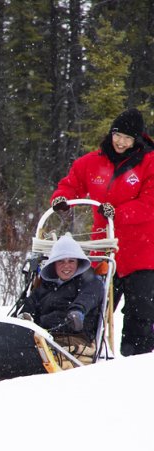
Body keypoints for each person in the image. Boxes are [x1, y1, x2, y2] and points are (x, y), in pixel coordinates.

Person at [50, 107, 154, 357]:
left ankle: (135, 361)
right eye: (118, 135)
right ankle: (82, 352)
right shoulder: (92, 162)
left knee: (141, 312)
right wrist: (61, 199)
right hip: (104, 249)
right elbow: (70, 184)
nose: (121, 142)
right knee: (93, 305)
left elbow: (149, 204)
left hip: (142, 252)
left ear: (136, 140)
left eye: (128, 138)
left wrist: (117, 212)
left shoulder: (149, 163)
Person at [18, 234, 104, 367]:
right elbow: (30, 304)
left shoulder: (90, 281)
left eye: (71, 261)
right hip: (43, 335)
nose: (66, 266)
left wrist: (77, 310)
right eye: (61, 261)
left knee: (36, 352)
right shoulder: (46, 285)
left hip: (73, 336)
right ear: (54, 264)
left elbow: (88, 297)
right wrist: (21, 320)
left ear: (78, 263)